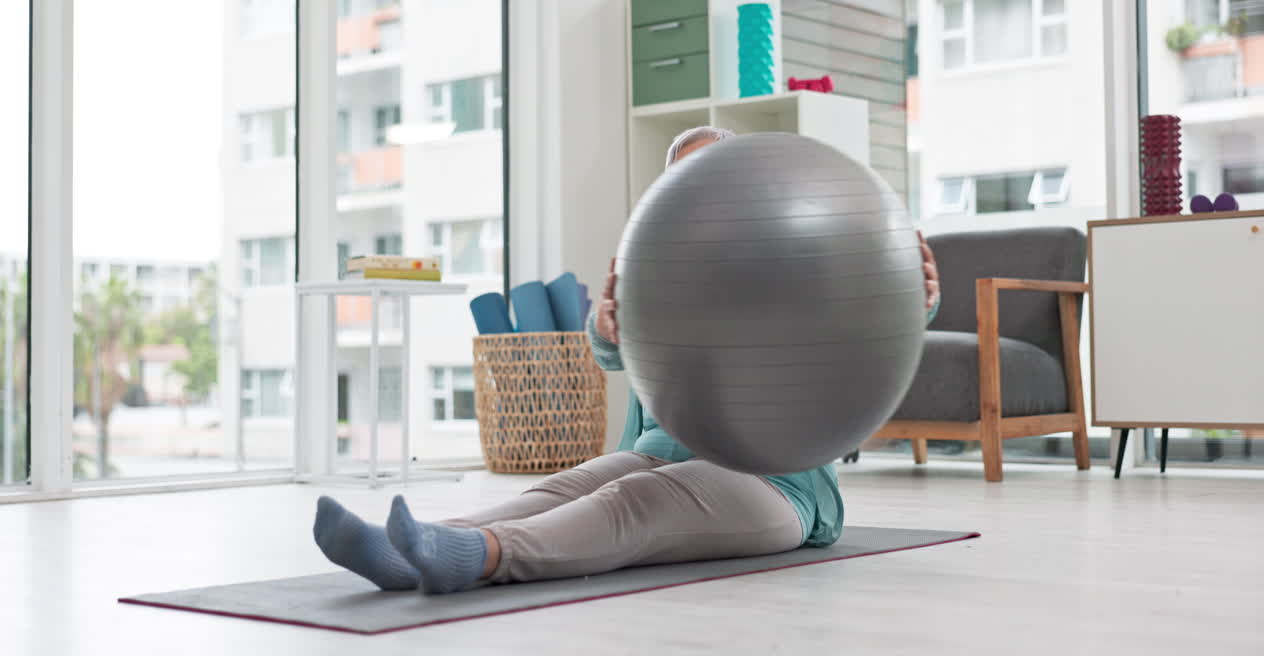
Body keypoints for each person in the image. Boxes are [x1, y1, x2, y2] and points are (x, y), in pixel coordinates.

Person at [311, 126, 942, 595]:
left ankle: (475, 556)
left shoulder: (791, 266)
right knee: (564, 487)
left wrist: (917, 302)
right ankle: (408, 546)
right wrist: (611, 324)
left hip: (775, 486)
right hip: (657, 448)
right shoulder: (661, 269)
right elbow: (607, 348)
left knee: (636, 499)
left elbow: (862, 327)